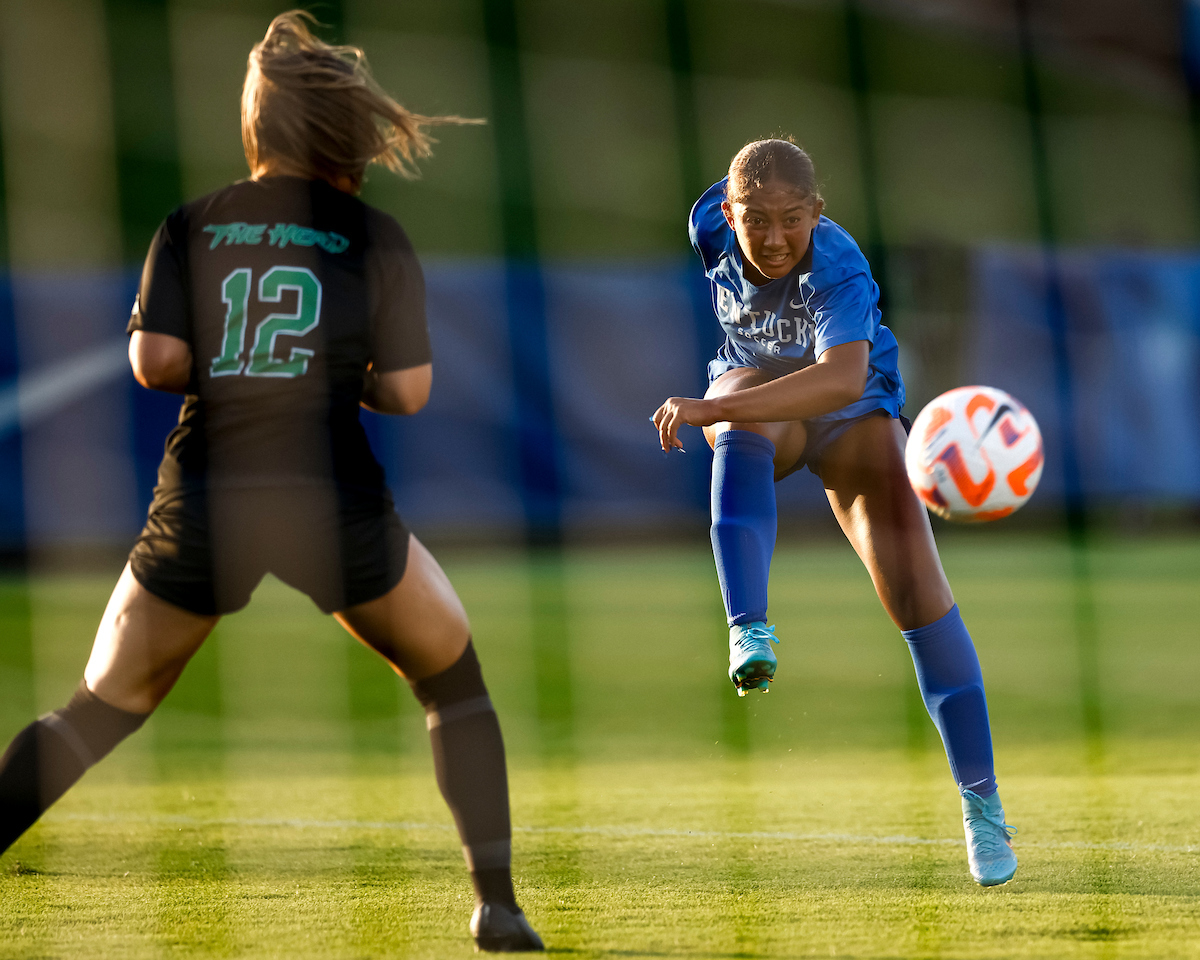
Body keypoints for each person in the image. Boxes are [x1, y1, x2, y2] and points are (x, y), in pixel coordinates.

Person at [0, 12, 543, 950]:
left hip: (208, 492)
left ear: (257, 129)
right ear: (346, 133)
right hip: (329, 495)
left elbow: (155, 362)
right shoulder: (373, 237)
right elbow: (409, 393)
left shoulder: (192, 223)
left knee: (99, 706)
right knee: (452, 678)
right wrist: (335, 372)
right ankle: (496, 904)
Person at [652, 138, 1017, 887]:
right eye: (758, 220)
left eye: (793, 219)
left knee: (920, 598)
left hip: (852, 412)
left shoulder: (838, 263)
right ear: (728, 212)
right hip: (764, 403)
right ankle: (747, 626)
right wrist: (721, 408)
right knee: (739, 427)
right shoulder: (709, 226)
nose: (775, 238)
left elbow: (838, 379)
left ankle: (982, 806)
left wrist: (705, 406)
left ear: (818, 213)